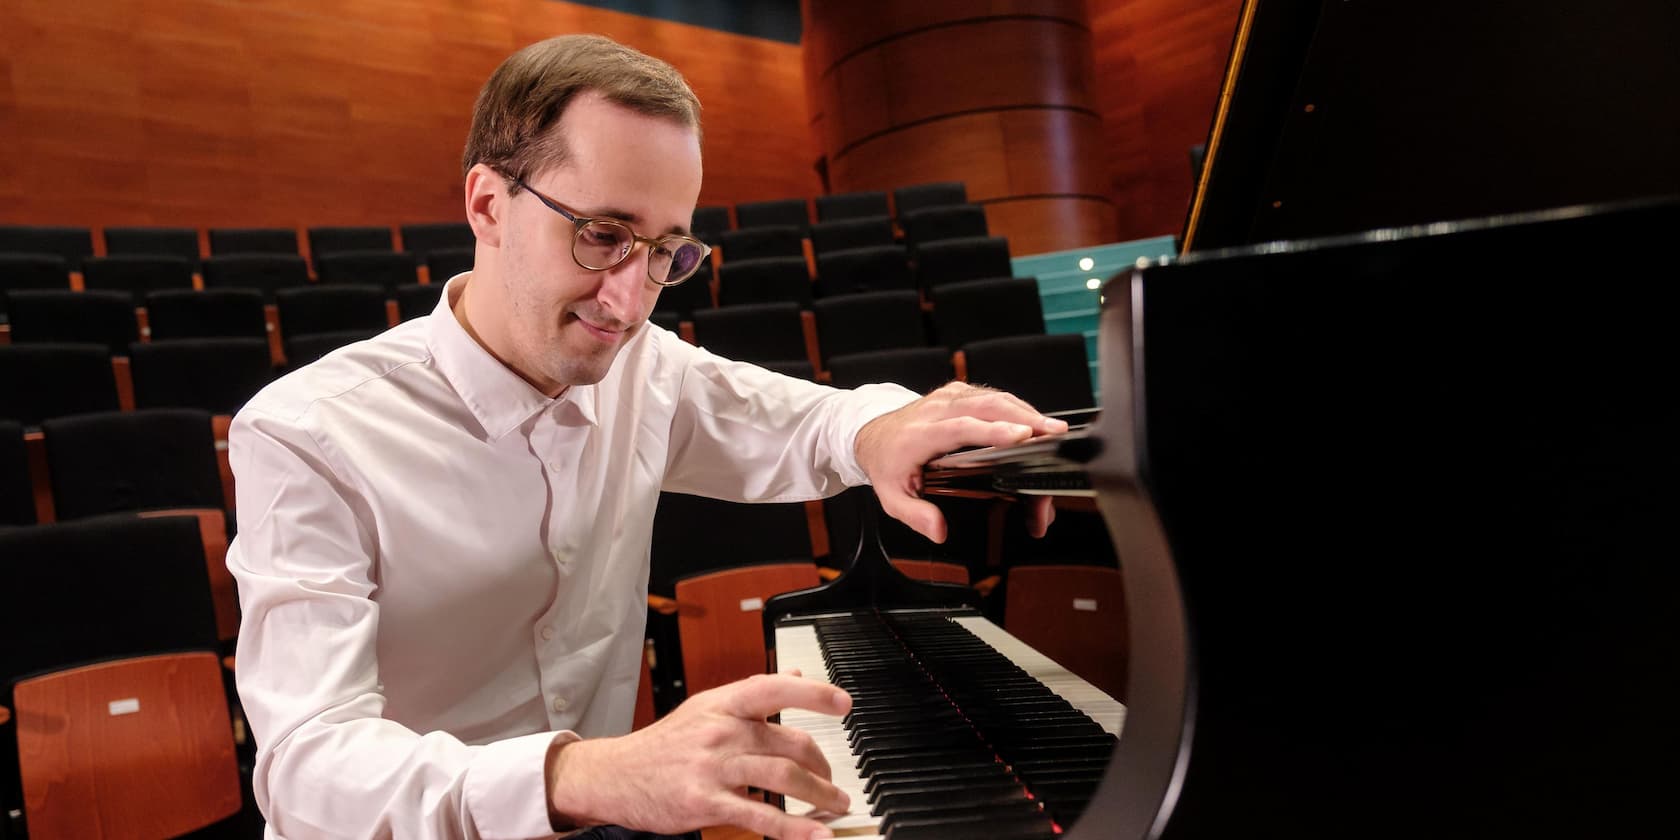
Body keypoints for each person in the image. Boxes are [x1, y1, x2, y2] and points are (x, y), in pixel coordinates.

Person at [227, 34, 1066, 840]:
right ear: (487, 204)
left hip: (604, 811)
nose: (629, 304)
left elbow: (806, 422)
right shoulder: (307, 432)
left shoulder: (643, 369)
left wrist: (889, 425)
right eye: (602, 235)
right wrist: (586, 778)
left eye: (667, 251)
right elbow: (309, 768)